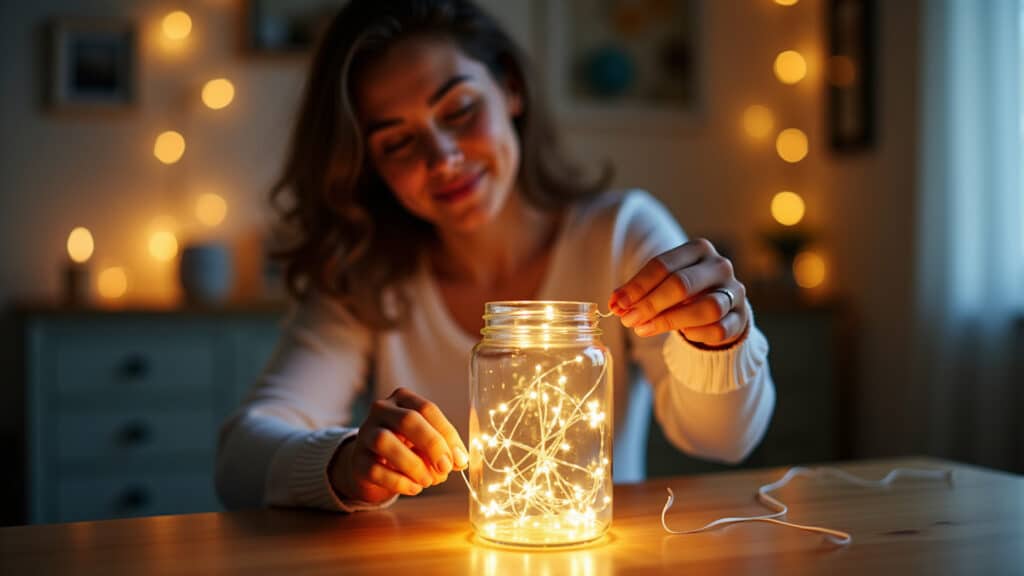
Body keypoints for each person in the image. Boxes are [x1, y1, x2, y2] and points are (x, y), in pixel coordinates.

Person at [216, 0, 774, 512]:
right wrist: (342, 463)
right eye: (397, 142)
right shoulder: (366, 274)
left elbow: (724, 440)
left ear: (510, 89)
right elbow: (240, 457)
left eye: (458, 109)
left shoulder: (621, 232)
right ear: (368, 166)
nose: (444, 158)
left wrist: (716, 339)